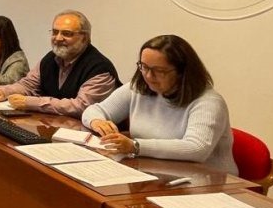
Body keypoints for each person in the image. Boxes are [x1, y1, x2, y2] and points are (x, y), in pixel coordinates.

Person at [82, 35, 236, 174]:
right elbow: (94, 110)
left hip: (206, 180)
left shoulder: (208, 102)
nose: (148, 76)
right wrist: (97, 121)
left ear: (181, 72)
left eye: (159, 71)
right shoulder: (137, 88)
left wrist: (135, 146)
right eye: (144, 67)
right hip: (154, 172)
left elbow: (197, 148)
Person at [0, 9, 119, 117]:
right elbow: (28, 84)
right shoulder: (50, 58)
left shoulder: (99, 68)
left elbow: (81, 106)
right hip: (54, 126)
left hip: (90, 136)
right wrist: (4, 91)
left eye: (67, 33)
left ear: (84, 37)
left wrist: (31, 102)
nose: (58, 38)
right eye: (55, 32)